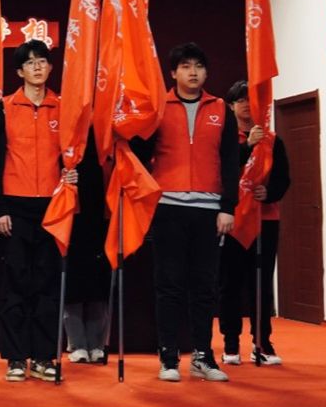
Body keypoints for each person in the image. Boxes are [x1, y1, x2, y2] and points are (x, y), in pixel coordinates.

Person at [130, 42, 238, 383]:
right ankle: (168, 356)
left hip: (209, 210)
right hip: (168, 207)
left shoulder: (221, 109)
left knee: (205, 286)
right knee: (169, 284)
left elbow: (230, 161)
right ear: (173, 72)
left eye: (199, 66)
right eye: (186, 66)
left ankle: (203, 355)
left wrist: (228, 207)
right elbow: (138, 153)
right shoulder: (158, 107)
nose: (193, 72)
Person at [0, 39, 77, 382]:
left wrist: (73, 174)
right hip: (15, 207)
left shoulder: (64, 108)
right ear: (20, 71)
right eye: (30, 62)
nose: (37, 67)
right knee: (16, 282)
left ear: (50, 68)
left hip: (53, 208)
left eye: (42, 61)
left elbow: (73, 154)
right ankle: (14, 357)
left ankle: (43, 356)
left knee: (48, 283)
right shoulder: (4, 109)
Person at [218, 80, 290, 366]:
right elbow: (221, 172)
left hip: (265, 218)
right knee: (230, 283)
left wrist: (268, 192)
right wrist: (247, 146)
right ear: (231, 106)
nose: (247, 105)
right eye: (241, 100)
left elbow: (284, 178)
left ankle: (262, 342)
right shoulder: (224, 139)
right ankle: (230, 342)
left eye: (251, 100)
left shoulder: (272, 140)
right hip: (232, 220)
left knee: (261, 283)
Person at [63, 132, 109, 364]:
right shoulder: (68, 126)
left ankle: (97, 343)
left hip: (102, 208)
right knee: (74, 276)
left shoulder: (106, 127)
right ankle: (77, 342)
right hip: (73, 207)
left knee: (99, 277)